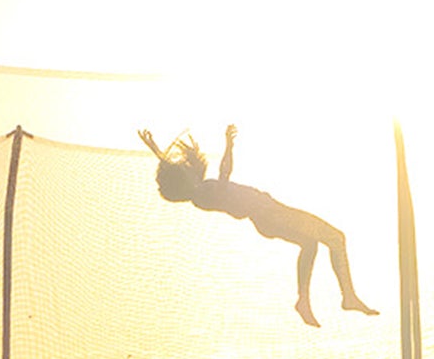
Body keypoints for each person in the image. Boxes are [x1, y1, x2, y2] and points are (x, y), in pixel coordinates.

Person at [138, 124, 379, 327]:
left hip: (267, 216)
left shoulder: (199, 193)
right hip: (270, 214)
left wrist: (156, 151)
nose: (189, 167)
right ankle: (347, 296)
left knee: (310, 243)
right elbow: (224, 175)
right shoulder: (203, 193)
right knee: (336, 237)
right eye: (184, 170)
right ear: (183, 181)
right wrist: (229, 146)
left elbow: (186, 175)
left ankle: (304, 300)